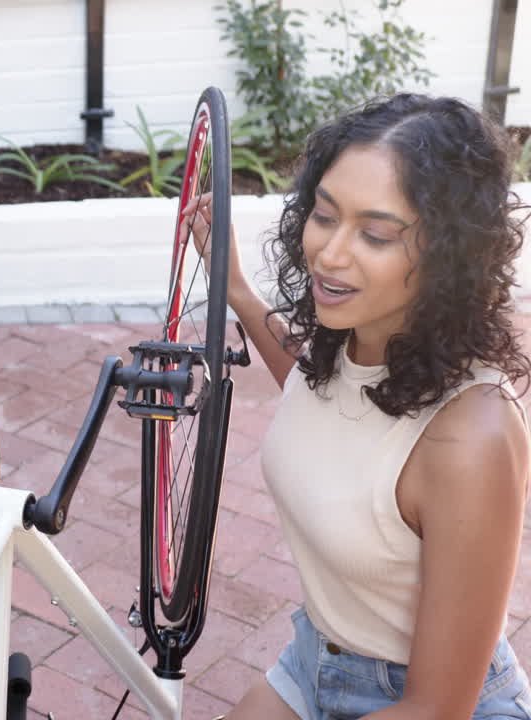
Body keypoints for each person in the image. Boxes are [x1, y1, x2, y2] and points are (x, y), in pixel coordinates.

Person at [186, 93, 531, 718]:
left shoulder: (473, 434)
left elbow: (436, 710)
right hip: (315, 659)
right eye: (323, 215)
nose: (330, 253)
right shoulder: (356, 343)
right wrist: (236, 288)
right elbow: (321, 388)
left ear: (449, 257)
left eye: (375, 234)